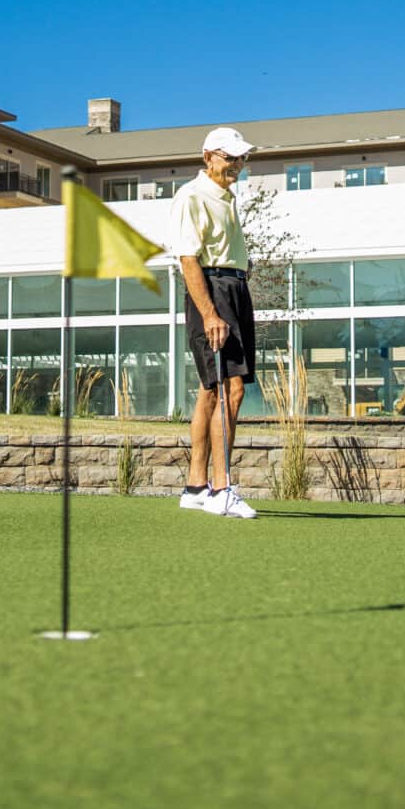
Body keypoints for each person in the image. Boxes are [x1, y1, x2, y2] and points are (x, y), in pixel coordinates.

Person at [171, 127, 259, 519]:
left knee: (211, 391)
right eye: (229, 158)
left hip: (234, 288)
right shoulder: (192, 195)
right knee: (231, 390)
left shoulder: (227, 197)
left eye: (241, 158)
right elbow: (188, 259)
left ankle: (195, 487)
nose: (236, 165)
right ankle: (222, 489)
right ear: (208, 156)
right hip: (213, 291)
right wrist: (210, 313)